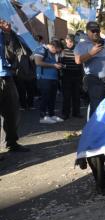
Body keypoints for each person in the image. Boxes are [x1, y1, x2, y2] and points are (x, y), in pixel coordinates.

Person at [0, 19, 29, 153]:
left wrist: (7, 33)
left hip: (7, 75)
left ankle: (11, 142)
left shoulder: (6, 34)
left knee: (12, 112)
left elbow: (15, 51)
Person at [34, 39, 64, 124]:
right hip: (44, 78)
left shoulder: (52, 52)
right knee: (45, 97)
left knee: (52, 98)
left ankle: (52, 114)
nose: (56, 53)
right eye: (56, 51)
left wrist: (58, 65)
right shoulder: (41, 49)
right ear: (52, 46)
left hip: (53, 78)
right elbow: (38, 62)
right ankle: (42, 116)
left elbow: (53, 62)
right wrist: (53, 65)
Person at [60, 34, 83, 119]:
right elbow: (60, 62)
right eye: (69, 41)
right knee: (66, 96)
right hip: (66, 76)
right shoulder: (63, 51)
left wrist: (82, 76)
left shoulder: (77, 50)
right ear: (66, 40)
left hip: (77, 75)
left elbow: (81, 63)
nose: (71, 43)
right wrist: (62, 67)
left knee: (76, 96)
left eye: (72, 42)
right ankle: (65, 113)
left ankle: (76, 113)